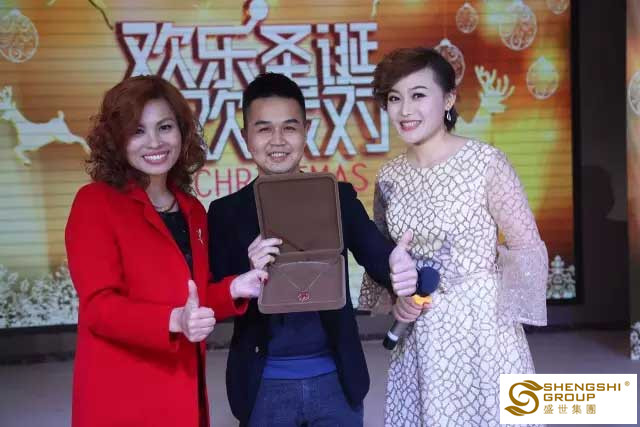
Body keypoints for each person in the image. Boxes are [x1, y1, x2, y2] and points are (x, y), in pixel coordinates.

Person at [208, 72, 418, 427]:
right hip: (262, 385)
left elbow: (378, 257)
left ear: (306, 131)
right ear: (245, 137)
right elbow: (216, 296)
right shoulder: (225, 212)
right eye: (263, 129)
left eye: (289, 128)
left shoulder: (339, 198)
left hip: (336, 379)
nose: (277, 140)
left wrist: (397, 265)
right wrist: (246, 271)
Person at [359, 47, 548, 426]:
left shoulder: (486, 163)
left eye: (418, 95)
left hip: (482, 325)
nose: (405, 110)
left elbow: (525, 245)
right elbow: (387, 254)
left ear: (448, 99)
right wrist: (399, 299)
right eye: (394, 98)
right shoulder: (390, 176)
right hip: (421, 329)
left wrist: (502, 318)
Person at [65, 75, 265, 427]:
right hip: (122, 397)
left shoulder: (192, 210)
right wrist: (173, 321)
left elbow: (193, 299)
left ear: (182, 133)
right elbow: (99, 308)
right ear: (116, 138)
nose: (155, 142)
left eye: (165, 127)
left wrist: (236, 287)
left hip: (185, 391)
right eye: (138, 131)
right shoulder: (95, 203)